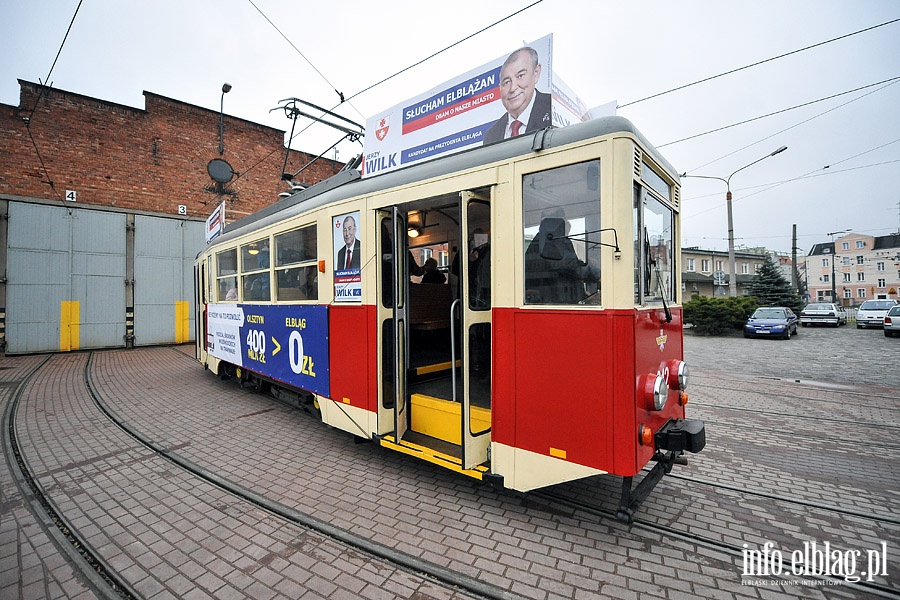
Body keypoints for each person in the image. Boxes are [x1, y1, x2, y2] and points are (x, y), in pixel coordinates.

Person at [524, 207, 599, 304]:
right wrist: (595, 272)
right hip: (554, 302)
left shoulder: (548, 241)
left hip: (561, 298)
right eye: (564, 221)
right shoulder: (550, 243)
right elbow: (571, 267)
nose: (568, 224)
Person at [483, 47, 552, 144]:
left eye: (520, 76)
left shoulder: (553, 107)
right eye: (506, 82)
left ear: (536, 73)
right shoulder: (491, 135)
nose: (512, 88)